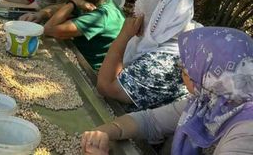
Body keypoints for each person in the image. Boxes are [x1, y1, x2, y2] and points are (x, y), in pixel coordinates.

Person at [81, 27, 253, 155]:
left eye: (186, 70)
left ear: (208, 77)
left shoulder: (246, 134)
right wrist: (106, 131)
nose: (182, 73)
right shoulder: (208, 101)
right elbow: (151, 120)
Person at [96, 0, 200, 111]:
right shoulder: (182, 28)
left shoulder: (159, 65)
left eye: (144, 11)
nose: (136, 14)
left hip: (129, 122)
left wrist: (123, 37)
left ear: (161, 17)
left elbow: (106, 87)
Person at [41, 0, 124, 70]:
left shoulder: (98, 18)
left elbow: (48, 29)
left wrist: (72, 3)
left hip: (90, 70)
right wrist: (41, 13)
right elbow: (62, 7)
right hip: (78, 54)